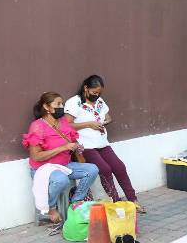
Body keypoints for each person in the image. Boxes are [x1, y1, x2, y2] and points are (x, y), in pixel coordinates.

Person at [64, 75, 146, 213]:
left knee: (119, 167)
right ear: (86, 88)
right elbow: (67, 125)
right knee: (105, 169)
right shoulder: (74, 102)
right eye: (94, 92)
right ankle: (116, 202)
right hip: (86, 145)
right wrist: (89, 124)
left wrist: (103, 123)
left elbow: (108, 118)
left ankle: (133, 200)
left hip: (102, 143)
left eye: (99, 93)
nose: (96, 95)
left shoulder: (100, 102)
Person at [23, 92, 99, 224]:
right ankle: (51, 208)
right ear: (47, 107)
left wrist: (76, 147)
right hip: (44, 169)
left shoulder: (63, 122)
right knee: (61, 180)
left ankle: (75, 201)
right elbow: (36, 156)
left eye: (62, 103)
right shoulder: (37, 126)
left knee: (92, 169)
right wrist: (63, 148)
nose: (62, 106)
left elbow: (70, 141)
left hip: (64, 165)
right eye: (58, 104)